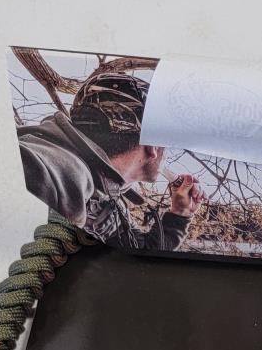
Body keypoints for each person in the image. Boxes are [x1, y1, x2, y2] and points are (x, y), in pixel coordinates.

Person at [18, 72, 205, 251]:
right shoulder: (47, 168)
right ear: (152, 146)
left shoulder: (105, 197)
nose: (167, 153)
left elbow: (138, 252)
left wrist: (180, 213)